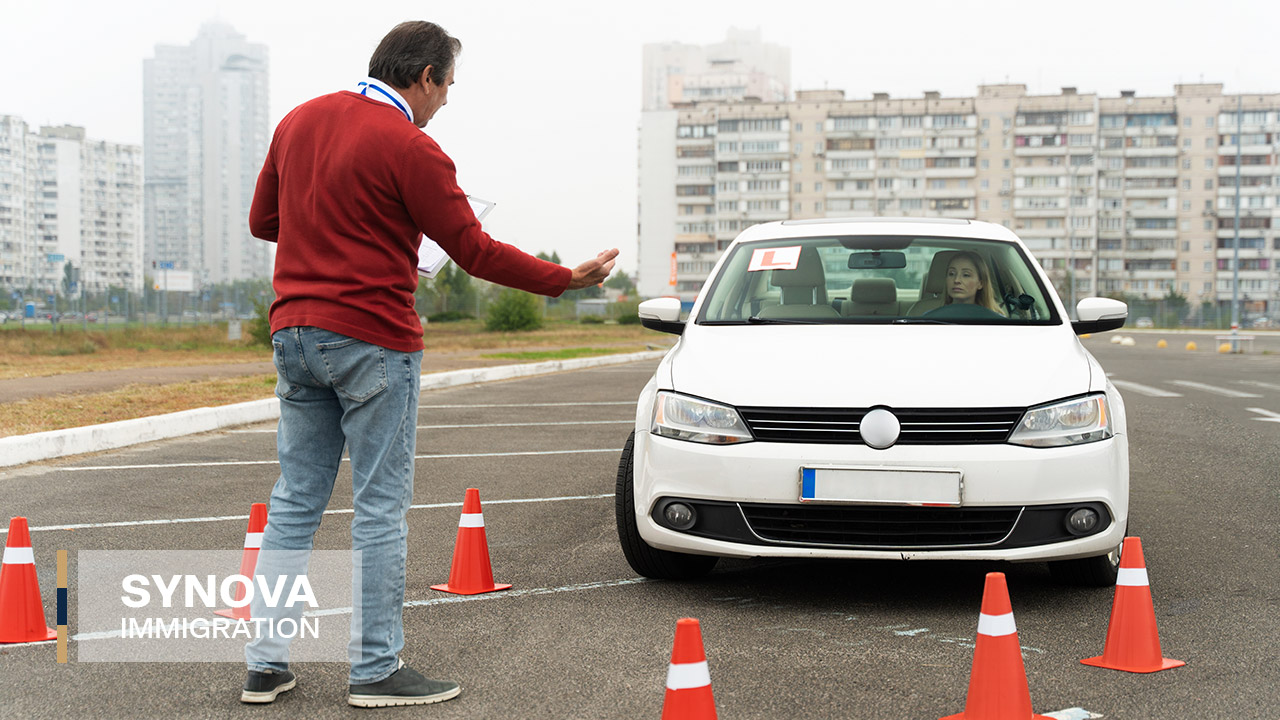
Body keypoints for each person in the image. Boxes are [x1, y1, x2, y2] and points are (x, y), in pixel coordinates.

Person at [241, 20, 617, 708]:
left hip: (294, 334)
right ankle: (375, 670)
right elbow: (473, 250)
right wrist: (566, 278)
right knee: (380, 508)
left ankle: (265, 665)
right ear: (423, 77)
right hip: (372, 339)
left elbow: (264, 222)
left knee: (295, 503)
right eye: (447, 86)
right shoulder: (412, 146)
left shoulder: (298, 121)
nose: (446, 101)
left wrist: (336, 227)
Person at [942, 251, 1005, 315]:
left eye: (966, 275)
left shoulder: (996, 320)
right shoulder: (933, 317)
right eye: (951, 274)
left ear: (980, 283)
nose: (956, 280)